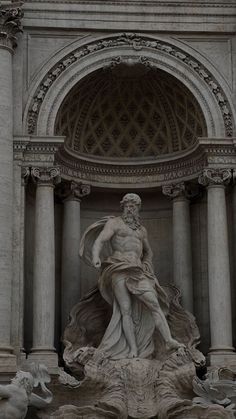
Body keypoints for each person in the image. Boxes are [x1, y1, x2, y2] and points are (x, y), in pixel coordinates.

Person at [80, 193, 184, 360]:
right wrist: (95, 257)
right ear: (123, 207)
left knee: (154, 304)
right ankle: (132, 349)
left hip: (137, 270)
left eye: (133, 206)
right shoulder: (114, 223)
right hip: (118, 268)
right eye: (127, 206)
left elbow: (148, 252)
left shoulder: (142, 231)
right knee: (125, 310)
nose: (130, 209)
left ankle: (169, 340)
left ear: (138, 209)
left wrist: (147, 264)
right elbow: (100, 240)